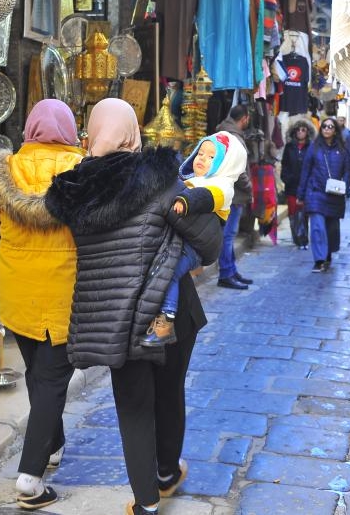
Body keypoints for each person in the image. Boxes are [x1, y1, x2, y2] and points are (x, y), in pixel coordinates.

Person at [45, 98, 223, 515]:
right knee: (169, 389)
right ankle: (166, 472)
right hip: (170, 310)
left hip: (112, 315)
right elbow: (209, 245)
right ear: (132, 132)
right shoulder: (160, 180)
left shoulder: (74, 190)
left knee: (132, 404)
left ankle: (146, 502)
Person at [0, 99, 85, 510]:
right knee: (50, 381)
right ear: (69, 129)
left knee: (39, 374)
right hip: (65, 294)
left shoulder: (4, 170)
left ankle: (52, 445)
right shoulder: (84, 171)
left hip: (17, 294)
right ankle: (30, 480)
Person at [140, 131, 247, 347]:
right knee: (162, 271)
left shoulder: (222, 186)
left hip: (195, 247)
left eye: (211, 157)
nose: (202, 158)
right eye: (201, 153)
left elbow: (205, 198)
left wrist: (184, 201)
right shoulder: (192, 180)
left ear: (225, 164)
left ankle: (165, 322)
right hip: (184, 240)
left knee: (168, 272)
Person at [296, 117, 350, 272]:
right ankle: (319, 260)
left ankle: (327, 254)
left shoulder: (342, 150)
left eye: (330, 127)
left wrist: (345, 187)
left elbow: (348, 171)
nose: (327, 129)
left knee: (331, 228)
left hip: (335, 195)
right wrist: (301, 194)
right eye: (324, 127)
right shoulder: (314, 148)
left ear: (335, 130)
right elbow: (305, 171)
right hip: (315, 193)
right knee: (317, 227)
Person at [214, 104, 254, 289]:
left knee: (228, 234)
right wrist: (248, 187)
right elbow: (238, 169)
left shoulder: (225, 132)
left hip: (228, 192)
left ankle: (231, 269)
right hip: (234, 194)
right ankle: (225, 273)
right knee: (228, 235)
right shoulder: (234, 137)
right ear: (244, 118)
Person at [279, 116, 315, 249]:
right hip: (292, 187)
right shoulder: (289, 147)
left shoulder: (311, 147)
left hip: (306, 187)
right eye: (298, 130)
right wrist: (288, 178)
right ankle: (296, 238)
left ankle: (304, 239)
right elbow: (285, 166)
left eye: (303, 130)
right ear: (294, 132)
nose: (300, 132)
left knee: (304, 214)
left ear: (308, 132)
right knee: (293, 214)